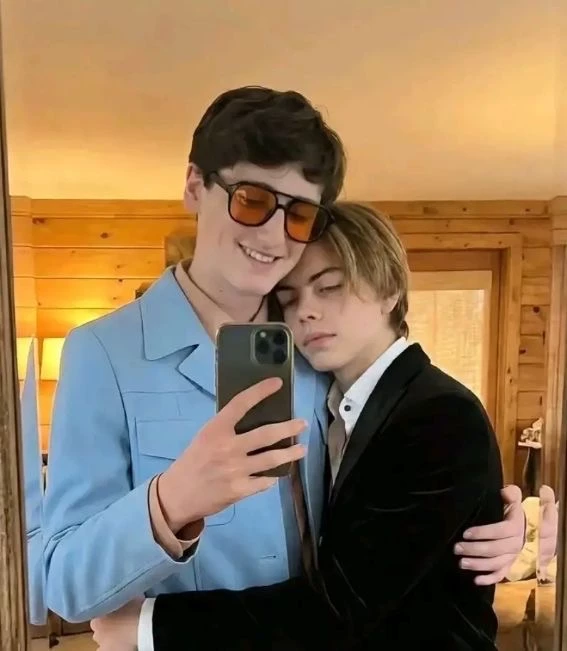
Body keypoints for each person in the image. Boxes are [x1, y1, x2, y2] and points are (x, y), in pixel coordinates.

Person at [43, 86, 525, 626]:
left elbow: (398, 484)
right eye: (252, 200)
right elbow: (62, 582)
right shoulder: (102, 353)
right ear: (196, 186)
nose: (274, 236)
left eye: (298, 215)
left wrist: (501, 518)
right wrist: (173, 500)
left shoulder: (317, 350)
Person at [93, 202, 507, 650]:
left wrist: (147, 626)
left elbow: (339, 609)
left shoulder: (439, 415)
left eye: (329, 287)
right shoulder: (332, 404)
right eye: (289, 298)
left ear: (389, 291)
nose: (305, 311)